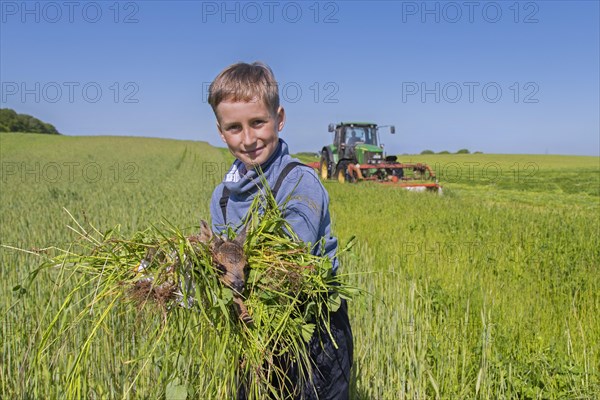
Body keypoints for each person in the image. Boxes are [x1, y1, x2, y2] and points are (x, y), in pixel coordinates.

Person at [207, 62, 353, 399]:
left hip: (313, 329)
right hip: (251, 330)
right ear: (221, 131)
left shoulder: (300, 182)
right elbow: (220, 265)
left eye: (257, 122)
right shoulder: (223, 197)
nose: (247, 139)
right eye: (234, 127)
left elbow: (289, 256)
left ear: (279, 118)